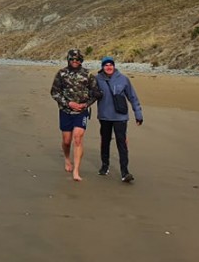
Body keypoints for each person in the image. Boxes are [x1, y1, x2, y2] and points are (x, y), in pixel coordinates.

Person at [50, 48, 100, 182]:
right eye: (72, 59)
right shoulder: (61, 74)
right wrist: (68, 103)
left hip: (81, 112)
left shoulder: (88, 75)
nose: (75, 61)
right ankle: (67, 159)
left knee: (77, 138)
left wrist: (86, 105)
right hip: (66, 111)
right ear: (68, 60)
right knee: (67, 141)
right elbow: (54, 92)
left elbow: (96, 93)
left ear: (81, 60)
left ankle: (76, 171)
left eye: (77, 59)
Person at [93, 56, 144, 183]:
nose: (109, 67)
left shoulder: (123, 79)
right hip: (104, 116)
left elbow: (133, 97)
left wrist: (138, 114)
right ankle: (105, 166)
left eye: (111, 64)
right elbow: (90, 94)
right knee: (105, 141)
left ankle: (124, 171)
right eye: (106, 65)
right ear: (102, 67)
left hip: (120, 117)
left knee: (122, 143)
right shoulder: (97, 79)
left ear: (114, 66)